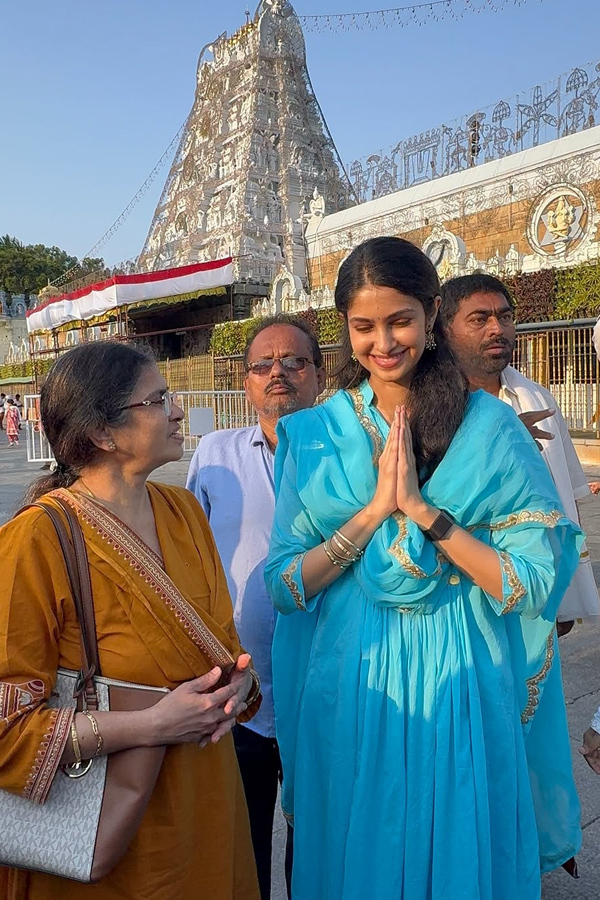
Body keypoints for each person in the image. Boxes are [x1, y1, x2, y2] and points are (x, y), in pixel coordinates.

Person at [265, 237, 582, 900]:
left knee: (456, 851)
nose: (383, 343)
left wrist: (425, 514)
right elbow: (286, 586)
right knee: (362, 856)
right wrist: (373, 512)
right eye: (364, 326)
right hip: (352, 683)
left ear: (432, 313)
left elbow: (533, 582)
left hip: (460, 681)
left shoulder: (489, 427)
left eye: (400, 321)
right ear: (345, 327)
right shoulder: (314, 434)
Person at [0, 341, 261, 900]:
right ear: (103, 432)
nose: (177, 411)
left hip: (207, 804)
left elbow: (222, 645)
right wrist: (152, 726)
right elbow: (6, 727)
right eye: (158, 400)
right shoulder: (35, 540)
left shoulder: (184, 511)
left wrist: (238, 685)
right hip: (111, 834)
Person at [186, 314, 326, 900]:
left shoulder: (347, 452)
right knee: (239, 847)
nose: (278, 373)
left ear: (319, 374)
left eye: (294, 361)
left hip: (323, 686)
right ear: (245, 381)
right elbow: (190, 554)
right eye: (262, 364)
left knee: (316, 842)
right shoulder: (215, 454)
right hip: (238, 689)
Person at [439, 272, 600, 634]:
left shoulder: (537, 398)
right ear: (445, 329)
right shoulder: (429, 406)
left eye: (505, 316)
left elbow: (565, 500)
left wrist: (567, 593)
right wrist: (498, 442)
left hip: (536, 589)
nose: (497, 329)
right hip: (458, 594)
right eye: (479, 319)